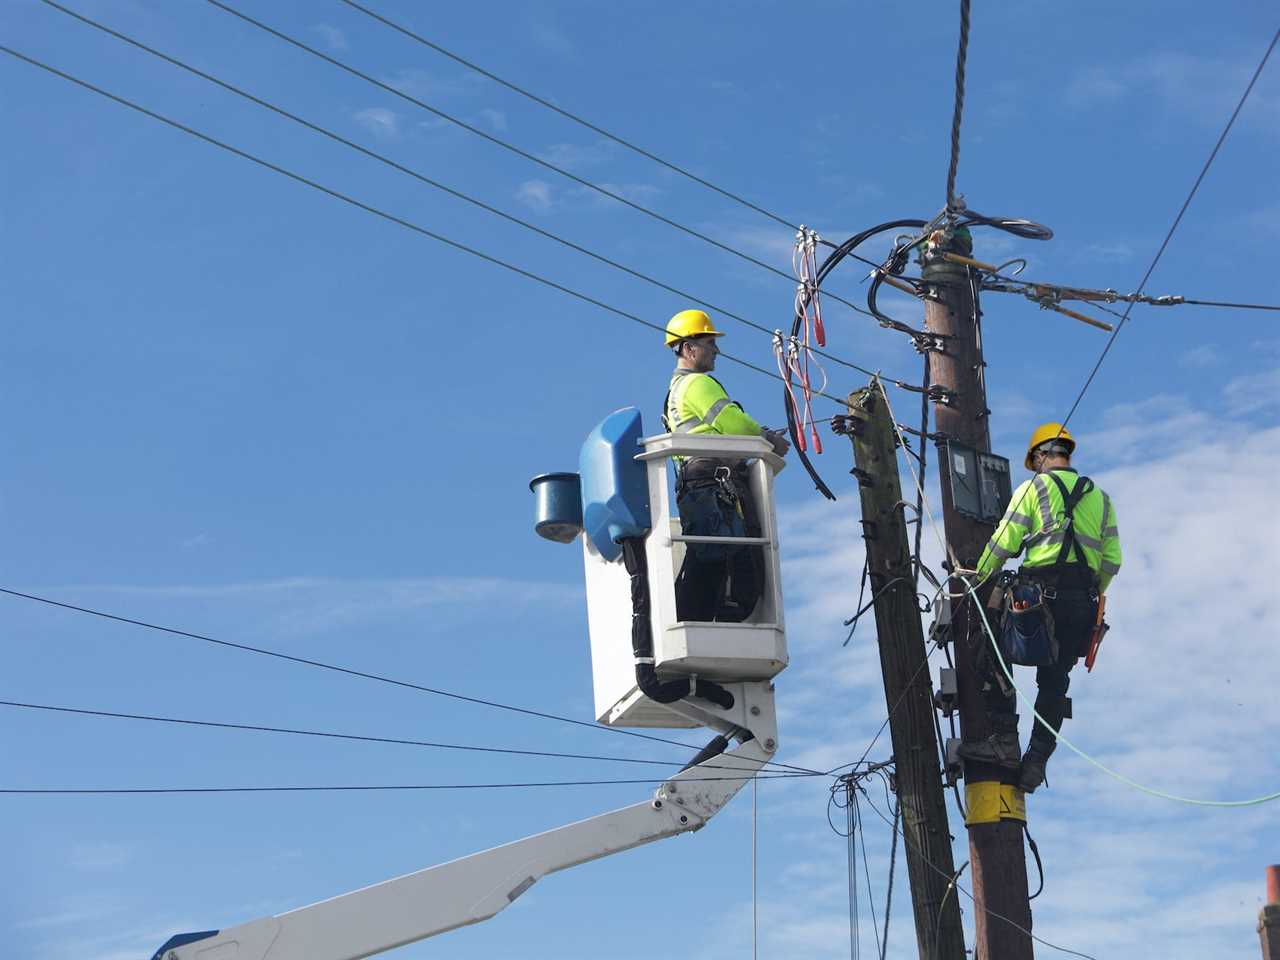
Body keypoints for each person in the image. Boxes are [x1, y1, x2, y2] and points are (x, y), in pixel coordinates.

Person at [960, 422, 1122, 793]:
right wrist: (1089, 591)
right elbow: (1113, 560)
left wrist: (975, 577)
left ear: (1039, 456)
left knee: (992, 647)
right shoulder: (1102, 498)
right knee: (1055, 680)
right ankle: (1036, 760)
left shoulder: (1034, 488)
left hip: (1036, 599)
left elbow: (1005, 541)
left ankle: (1003, 739)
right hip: (1081, 605)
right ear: (1066, 452)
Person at [662, 309, 789, 622]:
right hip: (713, 483)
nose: (716, 350)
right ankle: (714, 617)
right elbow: (733, 423)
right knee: (732, 557)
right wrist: (768, 438)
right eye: (709, 343)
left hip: (699, 486)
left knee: (711, 558)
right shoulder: (698, 384)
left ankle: (697, 619)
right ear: (689, 348)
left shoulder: (674, 391)